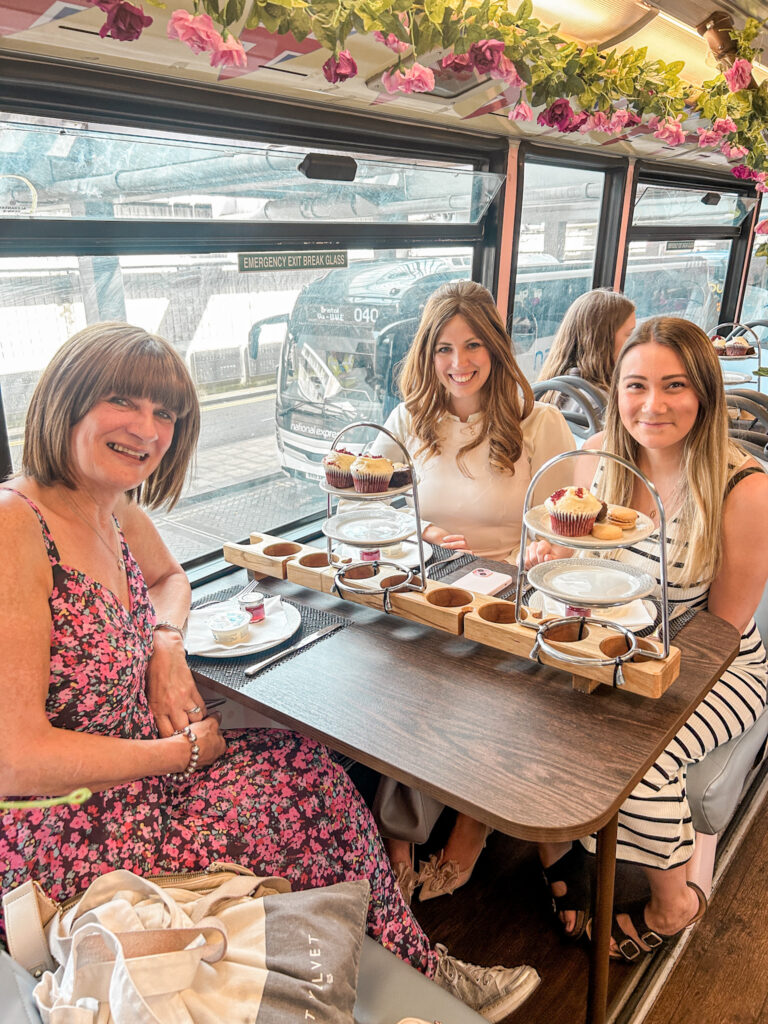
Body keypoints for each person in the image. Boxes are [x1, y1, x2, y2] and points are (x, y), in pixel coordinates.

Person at [0, 322, 540, 1021]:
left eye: (164, 414)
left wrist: (165, 645)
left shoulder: (113, 510)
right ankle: (416, 977)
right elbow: (14, 760)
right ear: (66, 400)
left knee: (311, 765)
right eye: (123, 402)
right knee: (308, 791)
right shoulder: (17, 527)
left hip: (142, 781)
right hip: (68, 830)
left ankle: (404, 962)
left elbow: (168, 581)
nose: (147, 428)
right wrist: (182, 752)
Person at [527, 316, 768, 958]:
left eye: (675, 386)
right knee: (516, 715)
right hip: (617, 646)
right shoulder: (596, 460)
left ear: (706, 394)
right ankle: (560, 851)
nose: (652, 406)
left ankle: (674, 903)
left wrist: (634, 702)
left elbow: (722, 632)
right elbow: (584, 569)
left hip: (716, 665)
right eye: (636, 385)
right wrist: (555, 558)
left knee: (638, 765)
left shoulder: (743, 489)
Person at [370, 280, 575, 902]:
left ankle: (469, 829)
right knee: (398, 679)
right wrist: (419, 529)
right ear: (426, 354)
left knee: (487, 685)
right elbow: (371, 500)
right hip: (426, 584)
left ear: (497, 349)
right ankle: (398, 841)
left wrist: (541, 549)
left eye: (473, 345)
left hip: (509, 589)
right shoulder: (408, 420)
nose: (458, 363)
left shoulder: (541, 424)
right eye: (443, 348)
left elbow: (569, 519)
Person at [537, 288, 636, 414]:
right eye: (629, 334)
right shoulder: (600, 403)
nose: (634, 343)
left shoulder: (549, 389)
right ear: (604, 341)